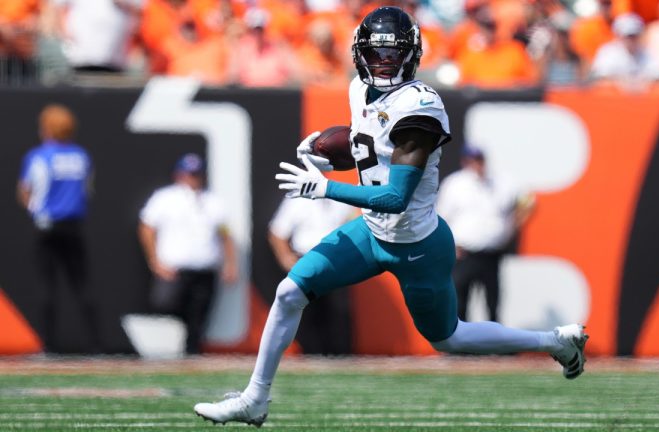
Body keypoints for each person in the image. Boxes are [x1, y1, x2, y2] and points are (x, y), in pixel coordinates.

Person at [193, 7, 588, 427]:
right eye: (376, 54)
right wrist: (331, 154)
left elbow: (397, 196)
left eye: (392, 54)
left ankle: (554, 341)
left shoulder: (421, 107)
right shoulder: (357, 91)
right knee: (290, 292)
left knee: (448, 338)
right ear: (360, 54)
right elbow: (371, 152)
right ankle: (255, 399)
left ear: (411, 56)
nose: (383, 63)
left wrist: (324, 188)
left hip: (417, 245)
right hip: (370, 232)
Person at [17, 104, 99, 352]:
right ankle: (96, 344)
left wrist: (36, 210)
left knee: (46, 286)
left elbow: (26, 191)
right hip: (73, 225)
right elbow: (87, 191)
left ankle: (48, 345)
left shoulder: (39, 156)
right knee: (82, 285)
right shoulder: (81, 156)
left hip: (47, 225)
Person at [138, 153, 238, 355]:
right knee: (165, 305)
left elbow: (225, 234)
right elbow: (146, 228)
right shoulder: (164, 198)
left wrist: (230, 263)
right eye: (189, 174)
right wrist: (154, 261)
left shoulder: (212, 201)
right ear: (179, 175)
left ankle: (191, 356)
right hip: (175, 268)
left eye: (196, 174)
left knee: (199, 317)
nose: (192, 179)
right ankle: (170, 348)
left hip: (205, 268)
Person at [437, 146, 535, 323]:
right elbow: (441, 218)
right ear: (464, 162)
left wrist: (512, 225)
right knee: (460, 301)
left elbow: (528, 201)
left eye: (480, 160)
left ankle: (495, 345)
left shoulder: (501, 182)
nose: (477, 165)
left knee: (493, 303)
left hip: (491, 254)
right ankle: (462, 345)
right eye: (472, 161)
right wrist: (449, 246)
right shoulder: (454, 184)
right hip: (463, 253)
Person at [268, 196, 356, 354]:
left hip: (335, 261)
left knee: (338, 311)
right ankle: (313, 356)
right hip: (307, 258)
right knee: (308, 311)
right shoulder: (296, 200)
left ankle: (341, 357)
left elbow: (356, 218)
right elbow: (277, 231)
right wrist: (286, 258)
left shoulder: (337, 199)